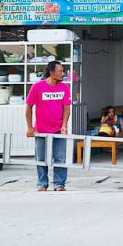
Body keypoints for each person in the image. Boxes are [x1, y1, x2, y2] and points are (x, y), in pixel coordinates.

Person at [26, 60, 72, 192]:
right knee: (41, 158)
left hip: (58, 129)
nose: (62, 74)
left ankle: (59, 184)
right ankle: (42, 183)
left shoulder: (64, 88)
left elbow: (66, 109)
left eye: (63, 71)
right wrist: (30, 127)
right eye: (60, 71)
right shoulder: (37, 87)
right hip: (41, 129)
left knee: (60, 158)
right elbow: (29, 107)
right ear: (51, 73)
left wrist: (64, 125)